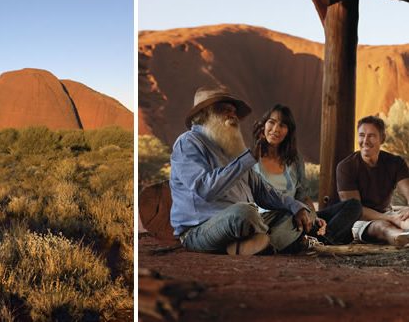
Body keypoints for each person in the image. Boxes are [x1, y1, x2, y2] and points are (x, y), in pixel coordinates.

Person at [169, 85, 318, 255]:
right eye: (225, 110)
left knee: (298, 211)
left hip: (246, 226)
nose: (233, 116)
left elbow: (263, 192)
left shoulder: (231, 149)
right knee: (244, 212)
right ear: (204, 114)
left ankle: (257, 245)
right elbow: (205, 189)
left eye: (234, 111)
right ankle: (274, 242)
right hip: (200, 231)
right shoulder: (188, 142)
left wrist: (296, 207)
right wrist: (248, 159)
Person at [251, 104, 360, 245]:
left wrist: (313, 216)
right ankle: (324, 239)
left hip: (299, 216)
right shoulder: (251, 159)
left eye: (283, 125)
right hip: (270, 221)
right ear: (263, 126)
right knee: (291, 217)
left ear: (288, 132)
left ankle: (320, 238)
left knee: (354, 206)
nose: (276, 129)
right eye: (271, 122)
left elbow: (302, 196)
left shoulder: (295, 159)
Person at [335, 115, 409, 247]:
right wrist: (390, 218)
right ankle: (401, 239)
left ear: (382, 139)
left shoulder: (395, 163)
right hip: (358, 220)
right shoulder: (346, 167)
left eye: (371, 136)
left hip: (387, 214)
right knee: (382, 227)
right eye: (362, 135)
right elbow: (354, 209)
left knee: (405, 218)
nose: (365, 140)